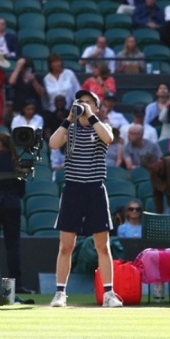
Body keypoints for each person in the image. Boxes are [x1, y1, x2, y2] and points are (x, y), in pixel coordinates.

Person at [47, 90, 121, 308]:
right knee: (66, 245)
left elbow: (108, 138)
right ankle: (60, 293)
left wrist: (91, 116)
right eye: (80, 102)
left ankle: (109, 294)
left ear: (96, 107)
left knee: (102, 246)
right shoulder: (70, 129)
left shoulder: (103, 126)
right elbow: (53, 143)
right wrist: (69, 118)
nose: (83, 105)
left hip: (95, 189)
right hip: (73, 189)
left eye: (88, 102)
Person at [0, 131, 30, 294]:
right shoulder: (17, 162)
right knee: (13, 246)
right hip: (13, 205)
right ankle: (17, 284)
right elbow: (21, 190)